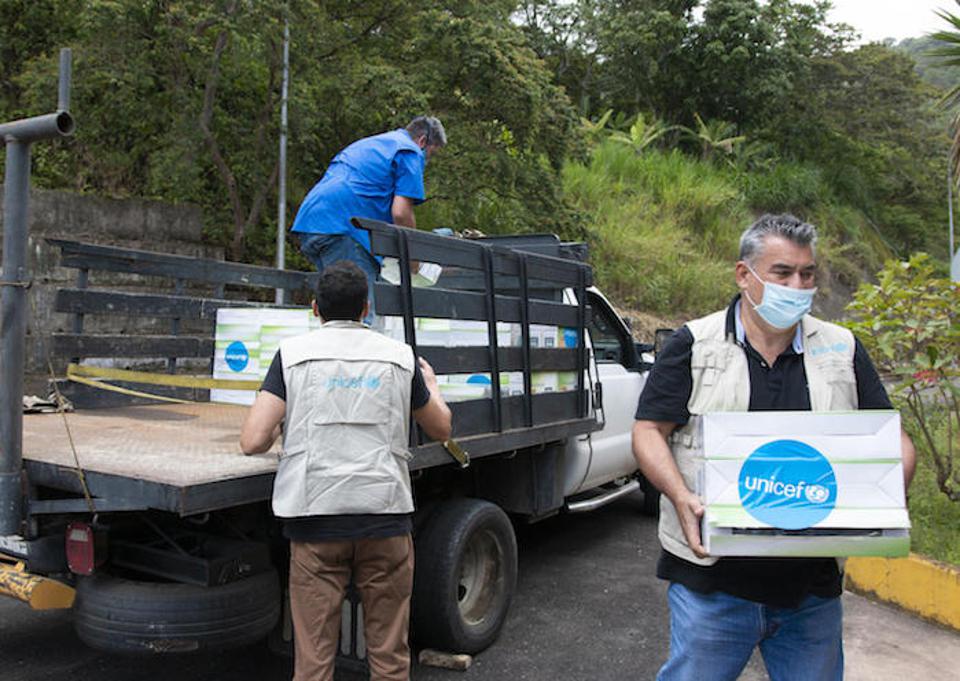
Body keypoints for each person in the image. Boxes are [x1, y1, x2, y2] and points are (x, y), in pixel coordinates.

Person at [631, 214, 916, 681]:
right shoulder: (695, 344)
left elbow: (893, 439)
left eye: (807, 274)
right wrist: (679, 494)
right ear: (745, 275)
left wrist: (885, 494)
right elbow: (648, 432)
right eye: (782, 273)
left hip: (811, 588)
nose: (798, 285)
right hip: (713, 583)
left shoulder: (842, 349)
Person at [240, 260, 452, 681]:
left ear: (315, 309)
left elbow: (253, 441)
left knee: (314, 662)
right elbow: (441, 428)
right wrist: (435, 387)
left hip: (315, 522)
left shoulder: (293, 355)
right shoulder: (400, 357)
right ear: (366, 309)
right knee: (390, 659)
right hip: (385, 519)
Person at [291, 116, 447, 316]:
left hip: (312, 224)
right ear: (423, 141)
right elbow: (401, 213)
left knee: (335, 312)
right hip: (344, 229)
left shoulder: (373, 144)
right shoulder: (410, 151)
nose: (427, 160)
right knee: (356, 315)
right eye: (431, 154)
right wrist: (412, 260)